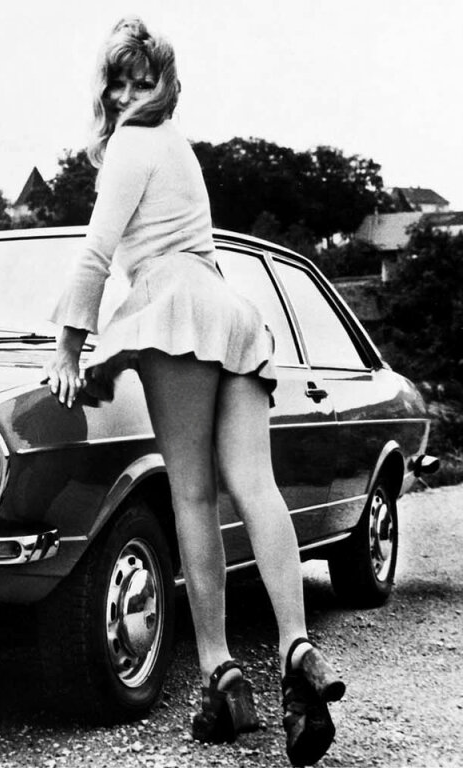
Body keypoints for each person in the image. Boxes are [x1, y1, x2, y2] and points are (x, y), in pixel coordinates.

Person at [44, 16, 345, 766]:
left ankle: (221, 672)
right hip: (232, 311)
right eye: (118, 81)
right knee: (256, 486)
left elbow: (96, 252)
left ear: (164, 84)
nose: (126, 94)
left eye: (140, 80)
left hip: (178, 308)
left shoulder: (130, 145)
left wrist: (69, 348)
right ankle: (297, 647)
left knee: (192, 496)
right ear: (106, 85)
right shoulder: (178, 145)